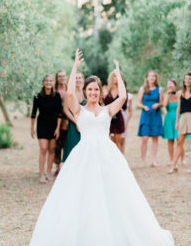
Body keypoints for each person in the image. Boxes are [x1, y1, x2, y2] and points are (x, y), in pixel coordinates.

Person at [29, 50, 174, 246]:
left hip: (107, 155)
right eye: (89, 90)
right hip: (84, 156)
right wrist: (74, 67)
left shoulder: (108, 109)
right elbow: (70, 92)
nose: (93, 93)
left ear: (100, 91)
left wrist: (117, 72)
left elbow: (122, 96)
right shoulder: (79, 110)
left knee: (116, 193)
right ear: (86, 92)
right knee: (83, 194)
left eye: (96, 89)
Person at [31, 75, 63, 184]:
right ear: (43, 83)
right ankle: (41, 174)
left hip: (54, 126)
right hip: (42, 125)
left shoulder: (57, 96)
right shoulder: (37, 96)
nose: (49, 82)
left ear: (53, 83)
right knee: (43, 149)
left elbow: (60, 113)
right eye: (47, 81)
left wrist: (58, 129)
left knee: (52, 149)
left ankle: (48, 172)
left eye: (50, 81)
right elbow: (34, 112)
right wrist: (32, 128)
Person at [138, 70, 164, 167]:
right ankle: (142, 161)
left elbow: (162, 102)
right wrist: (143, 107)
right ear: (147, 77)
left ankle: (153, 160)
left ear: (156, 78)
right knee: (144, 138)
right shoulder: (143, 89)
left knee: (155, 138)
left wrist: (158, 104)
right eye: (150, 76)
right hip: (146, 115)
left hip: (156, 116)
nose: (152, 78)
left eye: (153, 76)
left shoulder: (159, 89)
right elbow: (138, 103)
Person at [169, 73, 191, 174]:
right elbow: (178, 108)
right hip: (183, 118)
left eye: (189, 79)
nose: (187, 80)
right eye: (186, 78)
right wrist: (177, 121)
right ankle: (174, 166)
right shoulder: (179, 93)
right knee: (179, 142)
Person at [62, 71, 85, 162]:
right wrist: (77, 123)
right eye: (76, 78)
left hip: (86, 123)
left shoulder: (87, 92)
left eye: (79, 78)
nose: (78, 80)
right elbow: (66, 110)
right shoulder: (69, 93)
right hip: (73, 123)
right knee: (73, 146)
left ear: (83, 79)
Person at [163, 79, 185, 165]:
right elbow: (164, 105)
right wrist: (167, 95)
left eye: (172, 84)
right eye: (168, 84)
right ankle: (171, 159)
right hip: (169, 119)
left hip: (178, 118)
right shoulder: (166, 95)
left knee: (179, 140)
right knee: (170, 140)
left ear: (175, 86)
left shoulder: (179, 94)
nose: (170, 86)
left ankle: (182, 159)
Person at [104, 71, 127, 153]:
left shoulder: (122, 90)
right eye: (114, 76)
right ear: (111, 78)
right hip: (108, 118)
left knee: (118, 143)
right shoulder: (107, 90)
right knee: (108, 142)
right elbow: (103, 105)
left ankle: (119, 163)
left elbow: (124, 107)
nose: (116, 78)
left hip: (118, 118)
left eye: (118, 76)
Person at [54, 70, 68, 175]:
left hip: (68, 120)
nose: (62, 78)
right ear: (57, 78)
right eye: (60, 76)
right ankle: (57, 167)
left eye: (63, 76)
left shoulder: (69, 89)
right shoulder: (54, 91)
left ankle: (67, 166)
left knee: (67, 143)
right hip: (56, 120)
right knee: (57, 145)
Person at [121, 80, 133, 154]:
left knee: (122, 140)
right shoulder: (112, 94)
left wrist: (127, 121)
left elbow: (130, 111)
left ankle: (122, 159)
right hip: (114, 119)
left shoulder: (129, 96)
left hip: (124, 119)